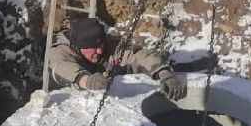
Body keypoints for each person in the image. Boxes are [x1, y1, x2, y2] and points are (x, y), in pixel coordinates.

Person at [47, 16, 187, 100]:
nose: (100, 50)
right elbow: (61, 67)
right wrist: (87, 81)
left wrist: (163, 73)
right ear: (78, 48)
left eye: (101, 45)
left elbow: (138, 56)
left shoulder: (107, 47)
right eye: (94, 48)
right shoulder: (60, 51)